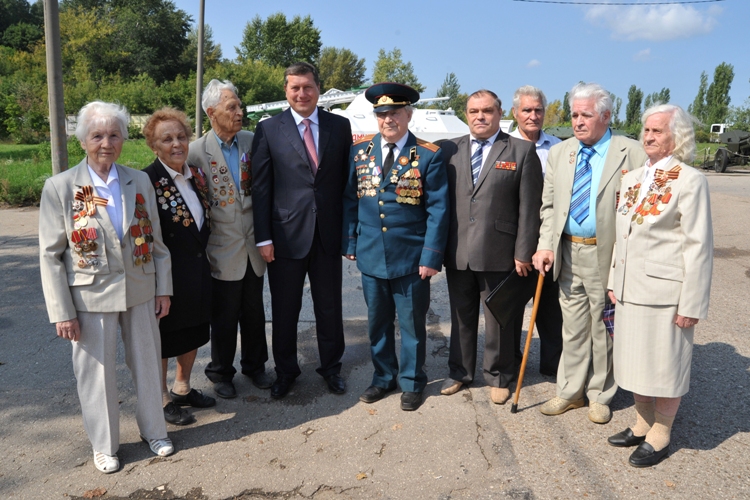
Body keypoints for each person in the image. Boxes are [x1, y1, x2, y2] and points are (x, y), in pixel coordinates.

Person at [39, 101, 174, 474]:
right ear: (83, 139)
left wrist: (164, 288)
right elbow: (50, 257)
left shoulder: (138, 180)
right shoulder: (61, 187)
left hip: (141, 289)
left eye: (114, 134)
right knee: (96, 374)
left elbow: (157, 242)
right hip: (91, 296)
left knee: (148, 363)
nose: (106, 142)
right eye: (97, 135)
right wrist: (62, 312)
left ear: (123, 139)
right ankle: (104, 445)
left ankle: (155, 431)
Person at [532, 83, 647, 424]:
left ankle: (600, 394)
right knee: (573, 326)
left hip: (607, 255)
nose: (578, 122)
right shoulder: (561, 152)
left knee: (603, 326)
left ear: (607, 116)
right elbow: (549, 206)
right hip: (569, 252)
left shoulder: (632, 153)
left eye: (586, 115)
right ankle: (570, 392)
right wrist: (545, 245)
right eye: (574, 115)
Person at [606, 104, 713, 467]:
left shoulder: (689, 179)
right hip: (628, 287)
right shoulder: (632, 178)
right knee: (635, 361)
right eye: (646, 131)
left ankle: (661, 432)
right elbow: (622, 235)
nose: (649, 137)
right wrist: (612, 279)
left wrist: (692, 304)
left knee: (665, 365)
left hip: (666, 292)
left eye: (658, 131)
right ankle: (641, 422)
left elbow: (699, 245)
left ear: (676, 137)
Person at [343, 82, 449, 411]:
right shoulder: (360, 152)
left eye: (395, 113)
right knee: (377, 322)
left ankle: (412, 381)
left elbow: (438, 210)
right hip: (372, 253)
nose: (388, 119)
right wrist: (350, 240)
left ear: (408, 114)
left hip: (411, 257)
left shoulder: (429, 155)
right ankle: (382, 377)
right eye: (382, 114)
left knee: (412, 323)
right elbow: (349, 199)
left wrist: (431, 256)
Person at [251, 62, 353, 399]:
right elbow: (261, 188)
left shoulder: (340, 126)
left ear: (318, 89)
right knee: (285, 309)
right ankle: (285, 371)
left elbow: (345, 185)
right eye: (295, 88)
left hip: (326, 234)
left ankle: (331, 368)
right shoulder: (268, 129)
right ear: (286, 90)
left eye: (307, 87)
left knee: (329, 307)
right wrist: (263, 237)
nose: (301, 94)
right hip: (283, 238)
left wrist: (348, 233)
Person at [439, 90, 543, 404]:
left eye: (487, 111)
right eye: (473, 111)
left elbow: (529, 208)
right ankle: (460, 372)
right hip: (457, 250)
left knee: (500, 318)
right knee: (461, 317)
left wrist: (523, 252)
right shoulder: (448, 149)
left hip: (501, 252)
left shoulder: (521, 151)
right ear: (466, 114)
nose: (480, 117)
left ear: (500, 114)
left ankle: (500, 375)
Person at [187, 80, 270, 399]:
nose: (240, 112)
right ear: (211, 113)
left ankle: (256, 366)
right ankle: (221, 372)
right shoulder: (196, 152)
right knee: (223, 316)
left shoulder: (252, 141)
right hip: (220, 249)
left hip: (253, 246)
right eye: (231, 107)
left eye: (239, 105)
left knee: (254, 312)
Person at [143, 107, 216, 425]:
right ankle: (160, 399)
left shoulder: (195, 175)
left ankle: (182, 387)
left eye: (181, 136)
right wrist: (159, 286)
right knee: (165, 337)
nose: (177, 144)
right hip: (166, 278)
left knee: (194, 331)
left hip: (198, 271)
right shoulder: (147, 181)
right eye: (167, 138)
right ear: (154, 146)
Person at [509, 85, 564, 376]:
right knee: (512, 309)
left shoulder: (558, 148)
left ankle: (553, 367)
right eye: (527, 110)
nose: (533, 115)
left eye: (538, 110)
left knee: (551, 310)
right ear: (516, 112)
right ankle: (512, 363)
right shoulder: (503, 146)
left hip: (550, 240)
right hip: (513, 241)